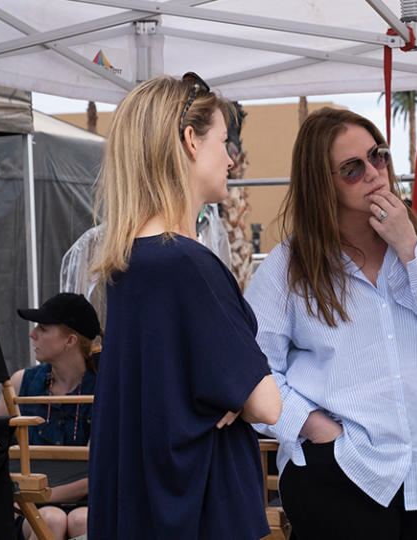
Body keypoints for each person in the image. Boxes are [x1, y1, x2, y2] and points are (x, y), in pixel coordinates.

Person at [245, 108, 417, 540]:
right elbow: (254, 370)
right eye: (351, 169)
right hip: (341, 471)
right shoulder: (287, 267)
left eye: (378, 156)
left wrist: (409, 248)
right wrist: (316, 429)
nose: (375, 173)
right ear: (323, 184)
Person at [87, 73, 282, 539]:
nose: (231, 157)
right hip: (202, 511)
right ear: (191, 141)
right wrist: (237, 393)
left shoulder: (127, 264)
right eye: (222, 139)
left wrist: (231, 391)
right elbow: (267, 404)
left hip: (146, 509)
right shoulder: (188, 265)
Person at [0, 292, 100, 540]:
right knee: (51, 519)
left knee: (82, 520)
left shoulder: (103, 388)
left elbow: (100, 470)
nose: (33, 334)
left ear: (70, 340)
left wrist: (47, 494)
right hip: (30, 504)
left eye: (43, 328)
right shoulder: (23, 381)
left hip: (89, 500)